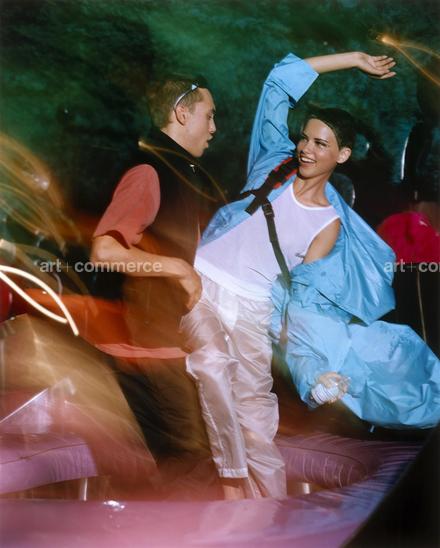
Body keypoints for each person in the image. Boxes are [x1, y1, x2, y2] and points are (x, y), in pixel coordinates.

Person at [181, 50, 397, 500]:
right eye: (305, 138)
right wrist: (355, 59)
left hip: (254, 308)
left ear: (343, 155)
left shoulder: (329, 224)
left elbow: (304, 303)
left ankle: (272, 511)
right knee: (212, 366)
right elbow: (279, 81)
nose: (306, 148)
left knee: (256, 413)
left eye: (321, 144)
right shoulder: (273, 161)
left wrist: (314, 370)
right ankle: (232, 485)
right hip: (203, 286)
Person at [90, 75, 220, 498]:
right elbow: (105, 252)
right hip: (146, 348)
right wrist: (178, 268)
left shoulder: (178, 170)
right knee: (193, 467)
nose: (214, 127)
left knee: (182, 467)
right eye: (209, 115)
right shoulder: (149, 170)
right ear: (182, 113)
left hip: (160, 343)